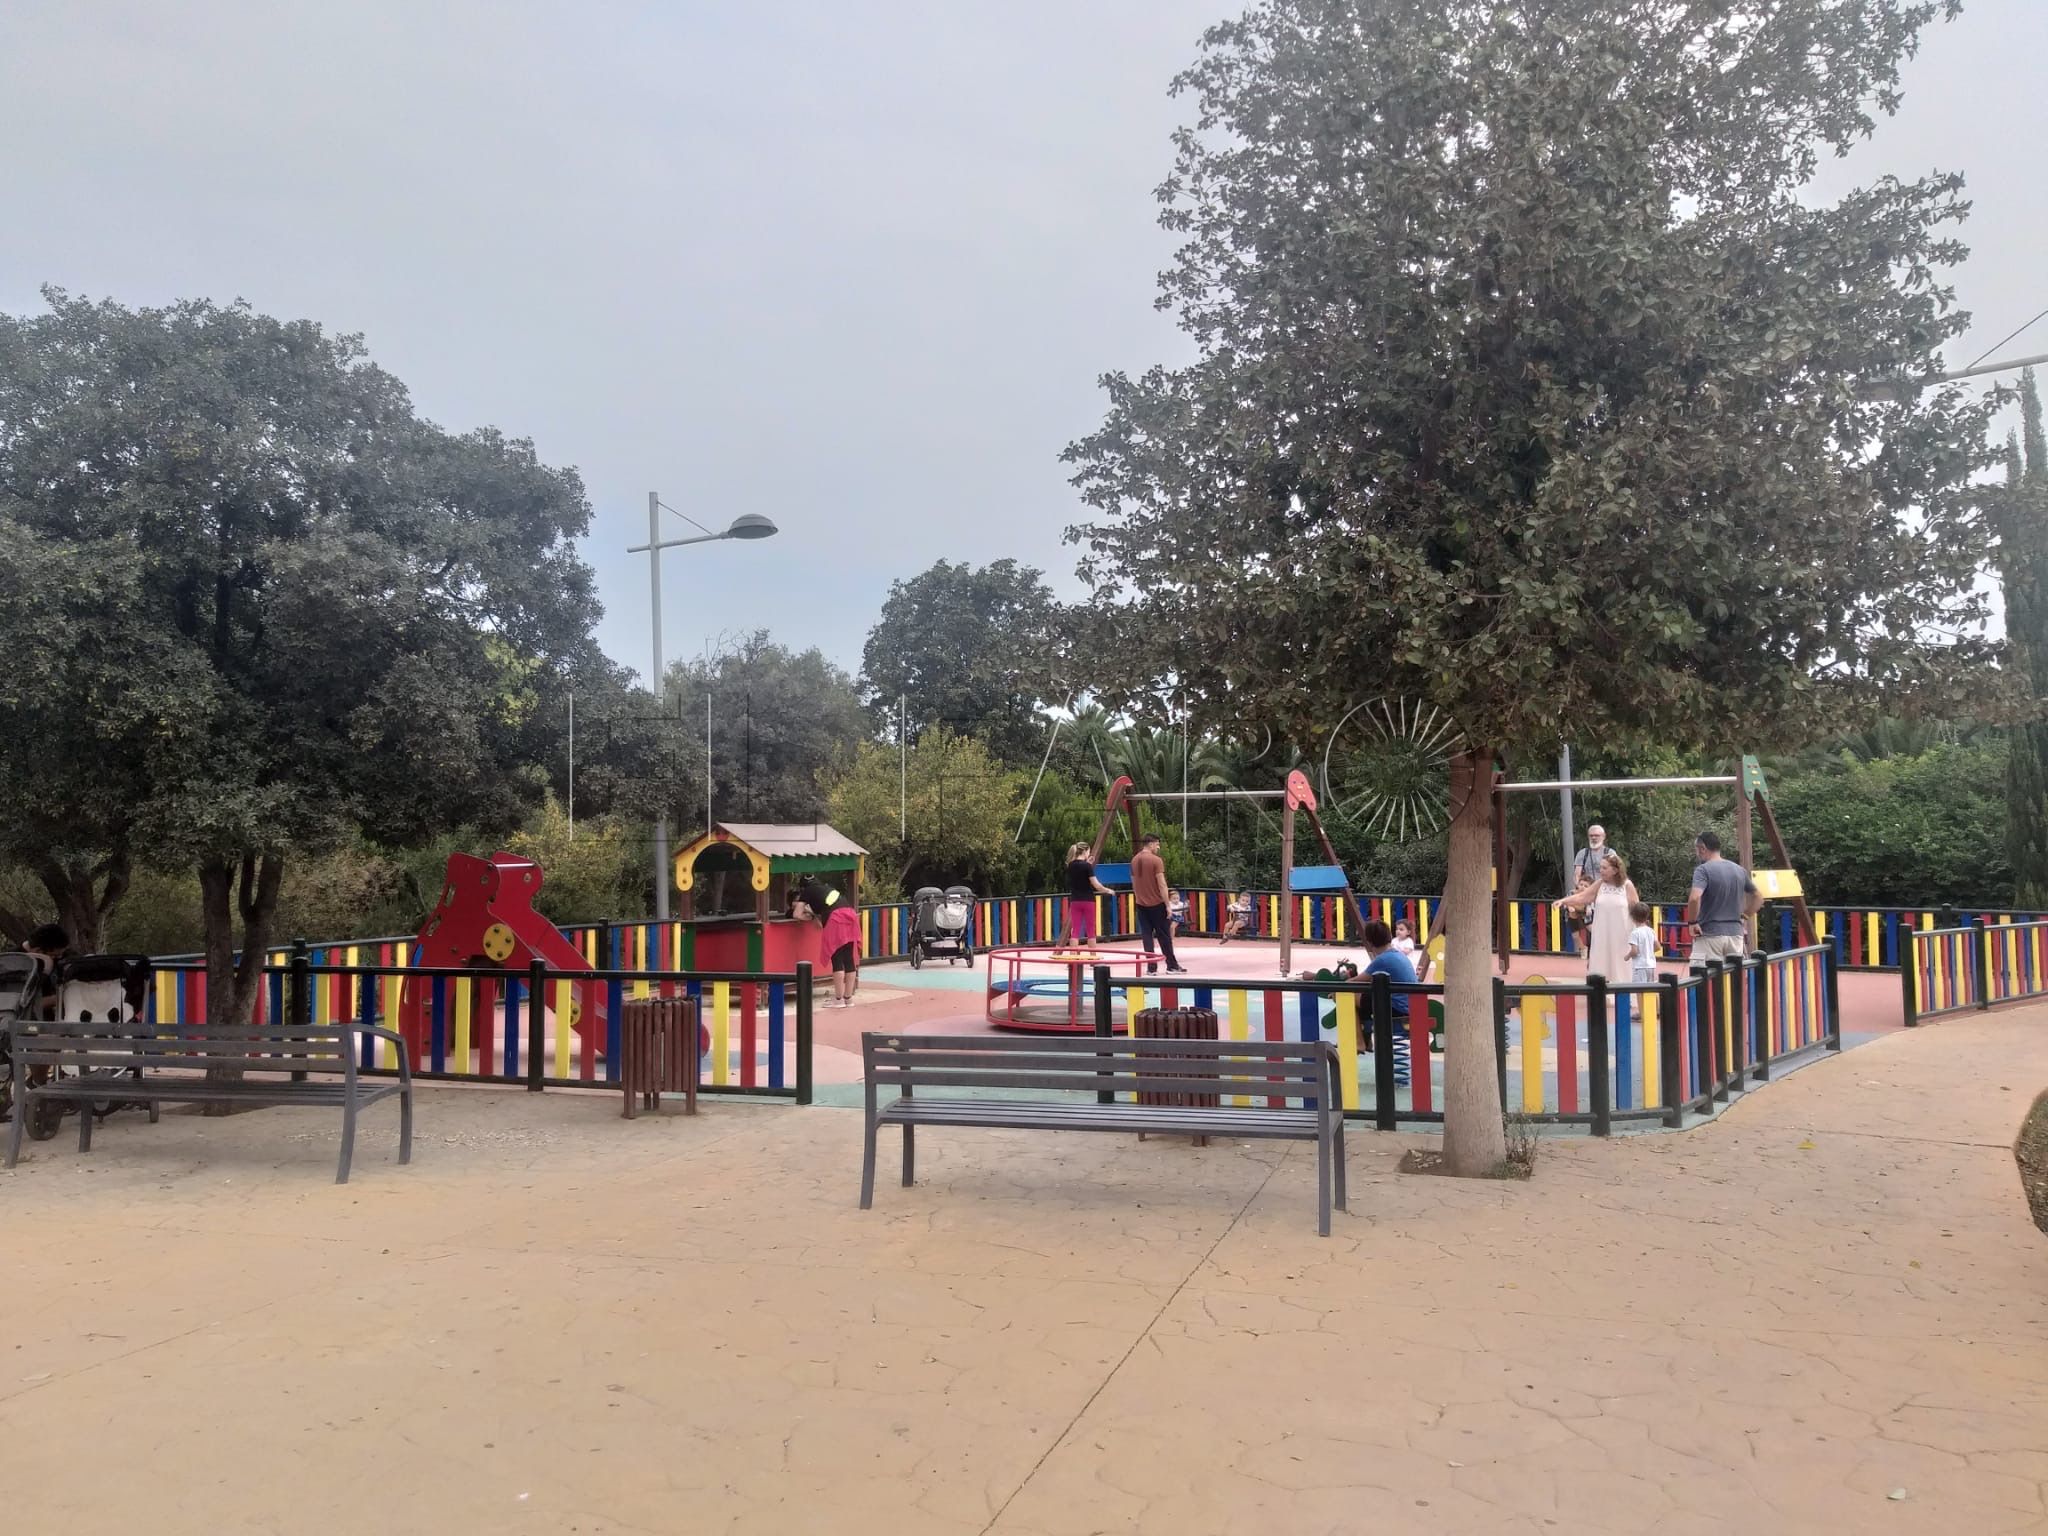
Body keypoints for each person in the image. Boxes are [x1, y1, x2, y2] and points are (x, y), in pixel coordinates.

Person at [1554, 850, 1639, 981]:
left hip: (1622, 934)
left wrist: (1641, 933)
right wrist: (1564, 901)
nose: (1601, 870)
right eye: (1600, 867)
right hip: (1602, 933)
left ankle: (1624, 994)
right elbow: (1583, 897)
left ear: (1615, 870)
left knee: (1621, 964)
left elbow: (1637, 910)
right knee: (1600, 963)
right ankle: (1600, 994)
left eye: (1605, 868)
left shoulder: (1627, 886)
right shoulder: (1600, 884)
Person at [1686, 830, 1761, 965]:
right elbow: (1758, 897)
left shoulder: (1703, 870)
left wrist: (1692, 922)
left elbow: (1695, 898)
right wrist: (1744, 916)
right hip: (1735, 934)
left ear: (1702, 848)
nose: (1697, 853)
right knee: (1733, 979)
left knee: (1701, 979)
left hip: (1709, 934)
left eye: (1697, 850)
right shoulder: (1739, 870)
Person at [1360, 920, 1413, 1086]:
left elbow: (1355, 981)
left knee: (1358, 997)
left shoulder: (1382, 960)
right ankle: (1365, 1036)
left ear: (1369, 942)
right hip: (1411, 1007)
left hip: (1398, 1011)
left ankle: (1363, 1037)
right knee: (1368, 995)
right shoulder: (1397, 955)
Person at [1130, 834, 1186, 974]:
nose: (1158, 847)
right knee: (1164, 936)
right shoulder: (1156, 860)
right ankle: (1171, 965)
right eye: (1157, 844)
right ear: (1151, 844)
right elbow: (1162, 884)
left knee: (1147, 936)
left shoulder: (1134, 860)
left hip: (1141, 904)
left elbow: (1134, 882)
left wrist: (1139, 897)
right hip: (1157, 903)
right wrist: (1168, 905)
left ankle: (1151, 967)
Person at [818, 895, 862, 1008]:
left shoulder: (811, 895)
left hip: (836, 920)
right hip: (850, 916)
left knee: (837, 958)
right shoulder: (836, 895)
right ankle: (848, 998)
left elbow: (799, 913)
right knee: (849, 958)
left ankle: (838, 999)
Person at [1063, 842, 1111, 945]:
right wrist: (1107, 890)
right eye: (1088, 851)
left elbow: (1080, 872)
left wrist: (1087, 863)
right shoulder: (1087, 867)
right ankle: (1093, 957)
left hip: (1075, 900)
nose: (1089, 854)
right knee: (1090, 931)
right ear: (1084, 851)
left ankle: (1073, 957)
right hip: (1088, 900)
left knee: (1075, 931)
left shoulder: (1070, 865)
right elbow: (1096, 885)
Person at [1626, 901, 1659, 986]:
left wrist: (1627, 957)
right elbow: (1658, 947)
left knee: (1639, 989)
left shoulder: (1635, 933)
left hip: (1639, 966)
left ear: (1633, 917)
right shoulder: (1651, 931)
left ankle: (1640, 1000)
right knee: (1650, 989)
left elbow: (1634, 951)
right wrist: (1648, 950)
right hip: (1651, 965)